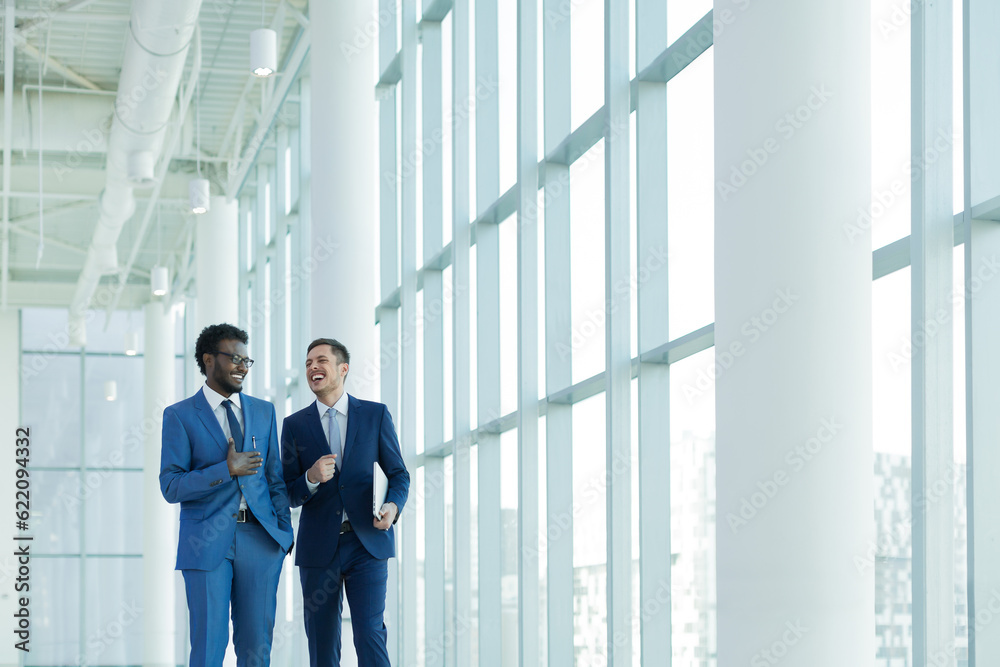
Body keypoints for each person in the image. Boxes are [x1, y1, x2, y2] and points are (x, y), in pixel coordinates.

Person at [160, 323, 293, 667]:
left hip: (261, 540)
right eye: (234, 358)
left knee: (256, 648)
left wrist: (283, 535)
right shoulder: (179, 416)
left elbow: (274, 478)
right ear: (208, 360)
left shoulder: (264, 412)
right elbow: (171, 486)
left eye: (246, 361)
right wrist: (225, 470)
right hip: (205, 541)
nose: (241, 367)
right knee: (208, 648)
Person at [281, 338, 409, 667]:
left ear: (343, 369)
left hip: (366, 542)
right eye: (308, 363)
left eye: (321, 360)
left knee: (369, 634)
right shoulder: (294, 426)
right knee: (322, 642)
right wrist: (309, 477)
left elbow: (399, 475)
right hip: (318, 548)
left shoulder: (375, 415)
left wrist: (392, 508)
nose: (312, 368)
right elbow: (284, 491)